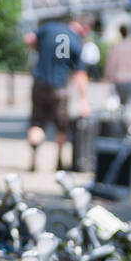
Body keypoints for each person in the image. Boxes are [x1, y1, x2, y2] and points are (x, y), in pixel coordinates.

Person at [25, 10, 89, 172]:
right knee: (61, 126)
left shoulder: (49, 28)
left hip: (39, 83)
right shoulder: (76, 42)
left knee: (37, 123)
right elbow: (79, 74)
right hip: (59, 88)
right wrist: (83, 99)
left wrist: (39, 50)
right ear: (83, 28)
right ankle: (58, 160)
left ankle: (33, 158)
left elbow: (29, 39)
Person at [104, 24, 131, 106]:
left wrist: (109, 79)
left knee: (122, 106)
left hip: (119, 80)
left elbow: (111, 64)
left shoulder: (115, 46)